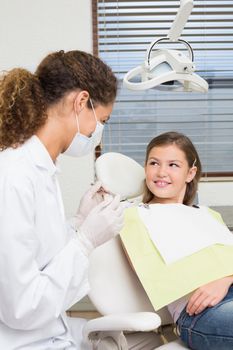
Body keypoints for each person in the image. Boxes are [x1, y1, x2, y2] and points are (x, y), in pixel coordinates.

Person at [0, 50, 124, 350]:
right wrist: (85, 242)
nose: (98, 132)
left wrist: (78, 223)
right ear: (80, 102)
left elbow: (39, 255)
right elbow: (22, 308)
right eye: (102, 119)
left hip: (48, 332)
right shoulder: (14, 176)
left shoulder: (43, 168)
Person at [121, 131, 233, 350]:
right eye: (154, 163)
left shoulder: (207, 215)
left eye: (173, 165)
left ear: (190, 173)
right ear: (145, 168)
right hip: (200, 314)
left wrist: (225, 278)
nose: (161, 172)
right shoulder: (134, 216)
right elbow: (153, 273)